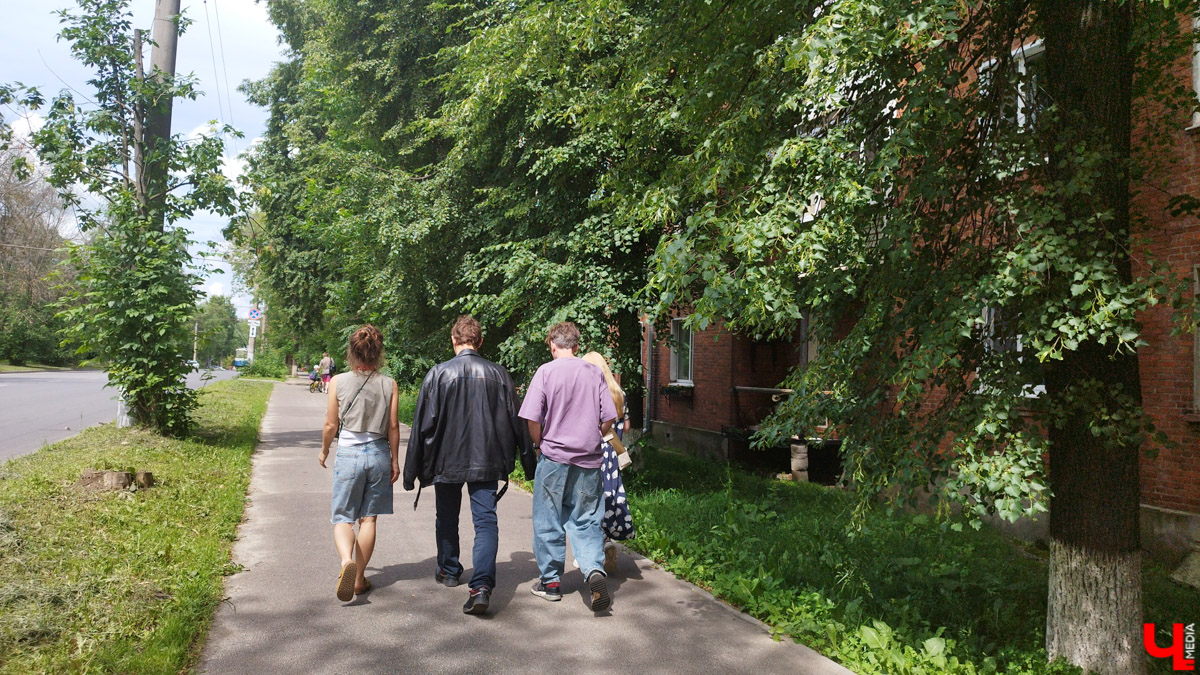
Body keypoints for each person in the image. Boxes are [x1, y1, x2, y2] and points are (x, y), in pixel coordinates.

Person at [404, 315, 532, 616]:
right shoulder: (499, 374)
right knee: (485, 521)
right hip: (487, 459)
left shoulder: (437, 374)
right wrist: (530, 466)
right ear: (480, 341)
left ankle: (449, 571)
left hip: (446, 460)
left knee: (446, 516)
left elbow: (421, 427)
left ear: (453, 340)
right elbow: (519, 424)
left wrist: (411, 474)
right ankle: (482, 586)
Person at [519, 322, 617, 613]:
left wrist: (540, 443)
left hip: (554, 458)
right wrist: (593, 435)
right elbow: (609, 418)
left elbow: (532, 419)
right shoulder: (594, 372)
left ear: (552, 344)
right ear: (577, 345)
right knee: (586, 520)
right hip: (588, 459)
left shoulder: (545, 372)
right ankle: (593, 571)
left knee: (547, 519)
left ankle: (550, 583)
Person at [318, 325, 400, 602]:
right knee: (369, 518)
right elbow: (392, 428)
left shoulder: (338, 382)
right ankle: (359, 579)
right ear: (379, 353)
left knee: (343, 516)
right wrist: (395, 460)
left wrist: (324, 450)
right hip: (378, 453)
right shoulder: (389, 384)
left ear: (351, 352)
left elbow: (331, 424)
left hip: (349, 453)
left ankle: (345, 563)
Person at [580, 351, 634, 573]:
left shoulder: (589, 393)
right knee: (611, 497)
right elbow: (628, 426)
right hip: (613, 454)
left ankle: (593, 551)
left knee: (589, 501)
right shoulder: (618, 393)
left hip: (593, 453)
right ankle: (608, 541)